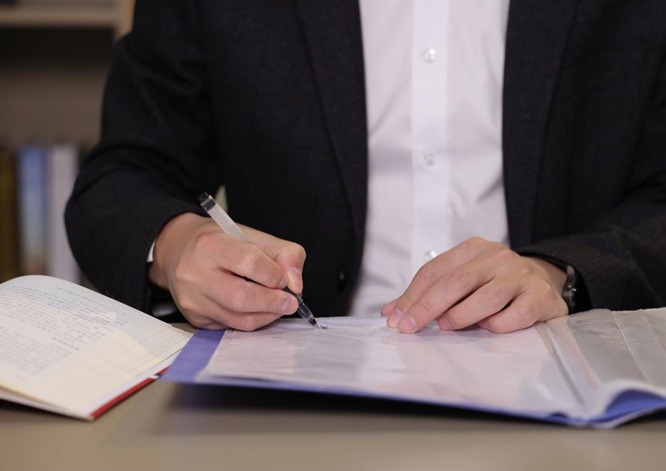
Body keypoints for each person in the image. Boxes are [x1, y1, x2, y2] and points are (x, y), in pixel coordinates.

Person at [66, 0, 666, 334]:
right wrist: (177, 247)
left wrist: (558, 272)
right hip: (290, 400)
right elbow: (121, 176)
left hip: (561, 374)